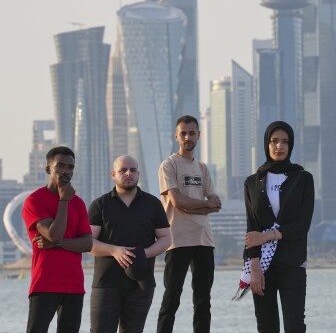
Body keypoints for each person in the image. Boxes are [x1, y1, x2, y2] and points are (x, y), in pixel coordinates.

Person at [243, 121, 315, 332]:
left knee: (295, 326)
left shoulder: (303, 178)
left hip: (293, 263)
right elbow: (251, 227)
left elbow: (302, 225)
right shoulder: (252, 182)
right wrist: (254, 269)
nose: (279, 146)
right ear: (266, 144)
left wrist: (267, 236)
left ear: (291, 146)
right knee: (266, 326)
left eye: (285, 142)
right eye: (274, 141)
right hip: (261, 267)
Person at [88, 155, 171, 332]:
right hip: (106, 284)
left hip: (141, 283)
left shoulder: (153, 204)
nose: (128, 173)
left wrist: (144, 254)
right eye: (123, 170)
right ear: (113, 174)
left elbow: (166, 238)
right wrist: (115, 251)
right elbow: (89, 243)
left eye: (133, 170)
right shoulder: (99, 205)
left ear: (138, 173)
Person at [157, 115, 222, 333]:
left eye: (192, 133)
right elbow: (176, 201)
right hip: (177, 239)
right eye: (183, 133)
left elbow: (216, 205)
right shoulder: (169, 165)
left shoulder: (203, 169)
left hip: (204, 240)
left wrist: (192, 205)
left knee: (203, 300)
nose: (187, 137)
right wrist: (203, 205)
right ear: (176, 136)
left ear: (198, 135)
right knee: (172, 298)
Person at [21, 146, 92, 333]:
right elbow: (54, 234)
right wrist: (63, 201)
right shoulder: (34, 201)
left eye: (70, 167)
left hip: (75, 284)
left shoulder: (79, 203)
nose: (66, 171)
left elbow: (87, 243)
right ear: (48, 169)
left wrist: (57, 244)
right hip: (45, 282)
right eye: (60, 166)